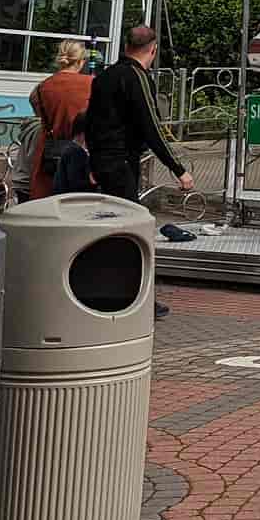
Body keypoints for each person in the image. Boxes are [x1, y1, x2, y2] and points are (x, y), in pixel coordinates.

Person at [84, 24, 195, 316]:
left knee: (110, 228)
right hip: (122, 162)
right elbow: (152, 128)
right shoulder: (137, 77)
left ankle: (103, 290)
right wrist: (178, 169)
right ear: (153, 50)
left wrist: (93, 162)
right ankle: (136, 298)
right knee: (133, 230)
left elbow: (90, 123)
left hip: (103, 162)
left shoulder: (104, 77)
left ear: (126, 46)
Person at [27, 40, 93, 201]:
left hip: (50, 153)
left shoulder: (43, 87)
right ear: (81, 61)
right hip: (84, 152)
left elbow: (39, 114)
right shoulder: (92, 84)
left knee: (48, 203)